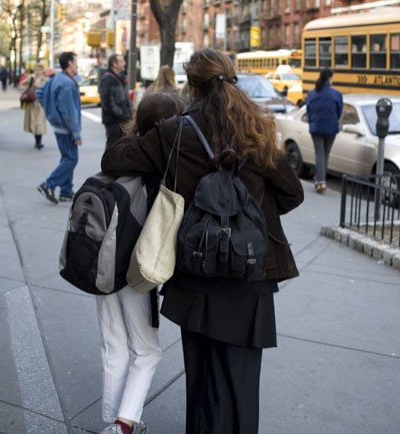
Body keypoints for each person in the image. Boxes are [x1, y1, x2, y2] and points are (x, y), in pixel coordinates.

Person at [101, 48, 304, 434]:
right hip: (249, 275)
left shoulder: (176, 132)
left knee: (202, 381)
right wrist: (248, 210)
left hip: (196, 270)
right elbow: (293, 194)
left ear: (191, 85)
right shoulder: (257, 129)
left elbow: (114, 160)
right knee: (240, 386)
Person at [96, 92, 185, 434]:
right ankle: (123, 424)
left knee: (114, 345)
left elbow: (109, 161)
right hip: (135, 269)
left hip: (102, 264)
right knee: (147, 352)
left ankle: (113, 422)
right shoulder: (162, 164)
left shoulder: (122, 152)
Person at [36, 52, 82, 204]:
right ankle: (48, 185)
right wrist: (76, 134)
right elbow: (69, 113)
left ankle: (66, 191)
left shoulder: (56, 78)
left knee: (66, 158)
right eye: (76, 62)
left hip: (59, 126)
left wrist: (51, 112)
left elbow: (40, 93)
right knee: (71, 159)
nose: (77, 65)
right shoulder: (67, 83)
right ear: (69, 63)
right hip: (66, 128)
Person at [305, 67, 343, 193]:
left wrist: (313, 121)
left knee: (319, 154)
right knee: (325, 154)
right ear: (330, 78)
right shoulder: (336, 94)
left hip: (316, 127)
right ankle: (321, 180)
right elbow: (339, 112)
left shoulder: (312, 93)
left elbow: (308, 110)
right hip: (331, 128)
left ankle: (320, 180)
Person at [99, 54, 132, 150]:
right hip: (114, 121)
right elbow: (107, 103)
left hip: (121, 120)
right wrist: (121, 114)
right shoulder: (107, 79)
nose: (124, 64)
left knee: (120, 147)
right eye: (121, 61)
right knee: (112, 148)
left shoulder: (120, 78)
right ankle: (107, 164)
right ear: (114, 64)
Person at [21, 64, 48, 150]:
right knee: (33, 123)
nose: (37, 71)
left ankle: (39, 142)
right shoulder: (31, 78)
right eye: (36, 69)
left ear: (43, 71)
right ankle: (37, 141)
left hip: (40, 104)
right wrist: (27, 87)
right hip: (31, 103)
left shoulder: (46, 80)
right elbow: (22, 84)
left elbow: (48, 90)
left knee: (39, 123)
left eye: (39, 69)